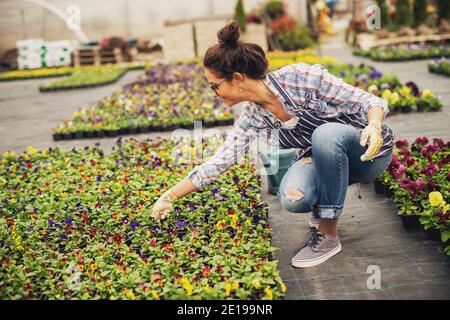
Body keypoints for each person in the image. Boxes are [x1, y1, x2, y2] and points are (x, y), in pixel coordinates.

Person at [151, 21, 395, 268]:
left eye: (215, 86)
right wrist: (169, 196)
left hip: (367, 153)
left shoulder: (301, 78)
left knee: (325, 134)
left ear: (236, 79)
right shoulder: (252, 118)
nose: (214, 92)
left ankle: (328, 233)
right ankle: (325, 202)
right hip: (325, 160)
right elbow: (220, 161)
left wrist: (373, 126)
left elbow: (368, 101)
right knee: (293, 197)